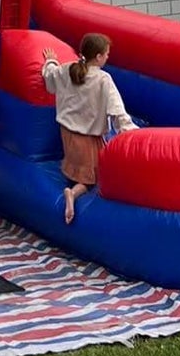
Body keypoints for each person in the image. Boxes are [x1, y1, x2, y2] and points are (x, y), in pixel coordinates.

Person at [41, 33, 135, 224]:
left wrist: (50, 61)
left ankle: (72, 186)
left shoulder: (68, 69)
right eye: (106, 54)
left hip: (67, 134)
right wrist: (131, 131)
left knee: (81, 169)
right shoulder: (103, 79)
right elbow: (117, 110)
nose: (108, 57)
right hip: (87, 139)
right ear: (99, 57)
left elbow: (50, 79)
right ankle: (72, 194)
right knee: (93, 179)